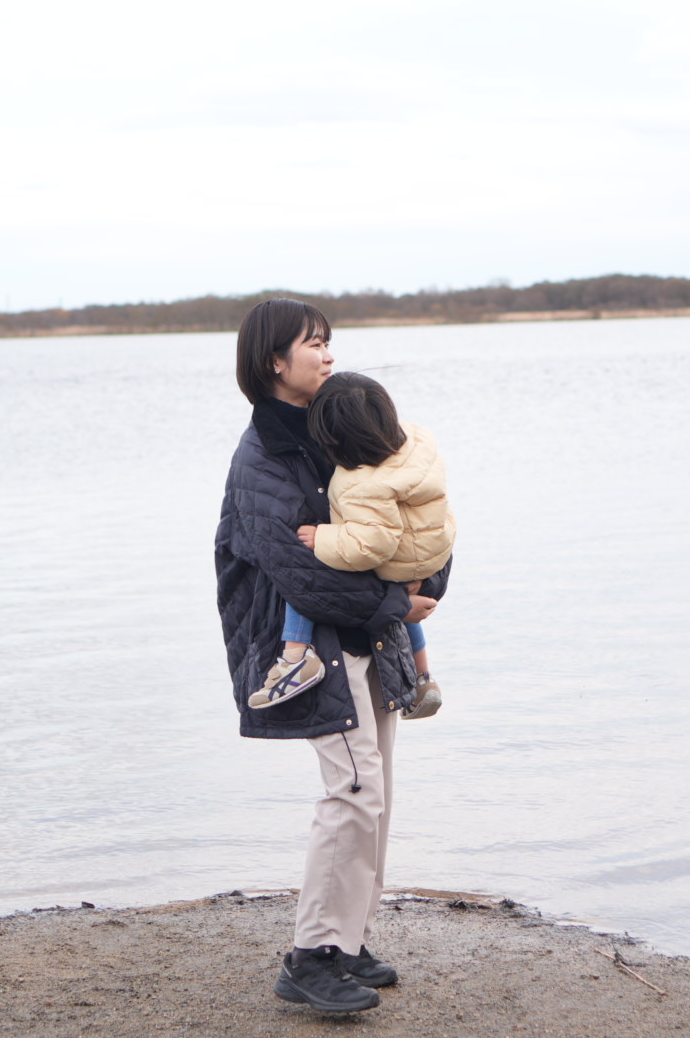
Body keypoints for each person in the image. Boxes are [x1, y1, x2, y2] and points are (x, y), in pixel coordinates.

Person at [215, 298, 450, 1014]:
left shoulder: (342, 429)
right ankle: (311, 955)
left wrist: (426, 584)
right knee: (353, 790)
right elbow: (300, 573)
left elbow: (416, 518)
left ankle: (347, 942)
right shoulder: (262, 459)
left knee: (376, 793)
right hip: (306, 647)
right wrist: (395, 605)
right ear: (273, 362)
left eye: (328, 341)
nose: (328, 354)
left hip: (365, 638)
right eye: (313, 343)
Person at [247, 371, 455, 721]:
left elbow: (369, 547)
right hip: (432, 550)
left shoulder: (357, 481)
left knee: (301, 575)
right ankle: (423, 676)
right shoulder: (418, 442)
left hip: (396, 559)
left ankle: (295, 657)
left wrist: (323, 536)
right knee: (402, 598)